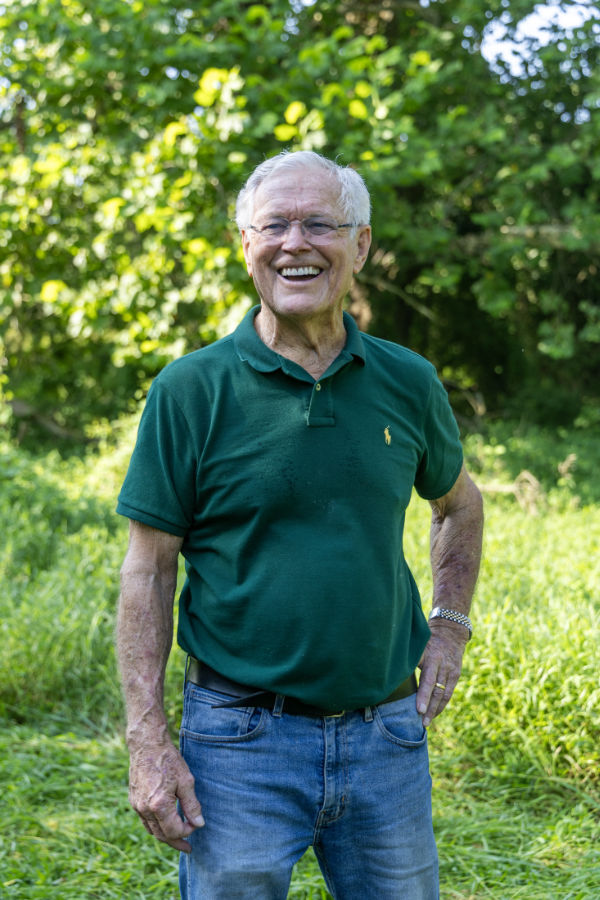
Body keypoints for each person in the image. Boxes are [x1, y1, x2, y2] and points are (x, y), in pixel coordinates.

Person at [116, 149, 484, 900]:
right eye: (274, 225)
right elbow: (148, 569)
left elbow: (459, 504)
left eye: (320, 224)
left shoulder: (408, 381)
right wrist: (147, 740)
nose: (295, 244)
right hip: (237, 743)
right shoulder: (190, 391)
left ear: (361, 245)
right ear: (245, 244)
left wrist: (448, 627)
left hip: (387, 735)